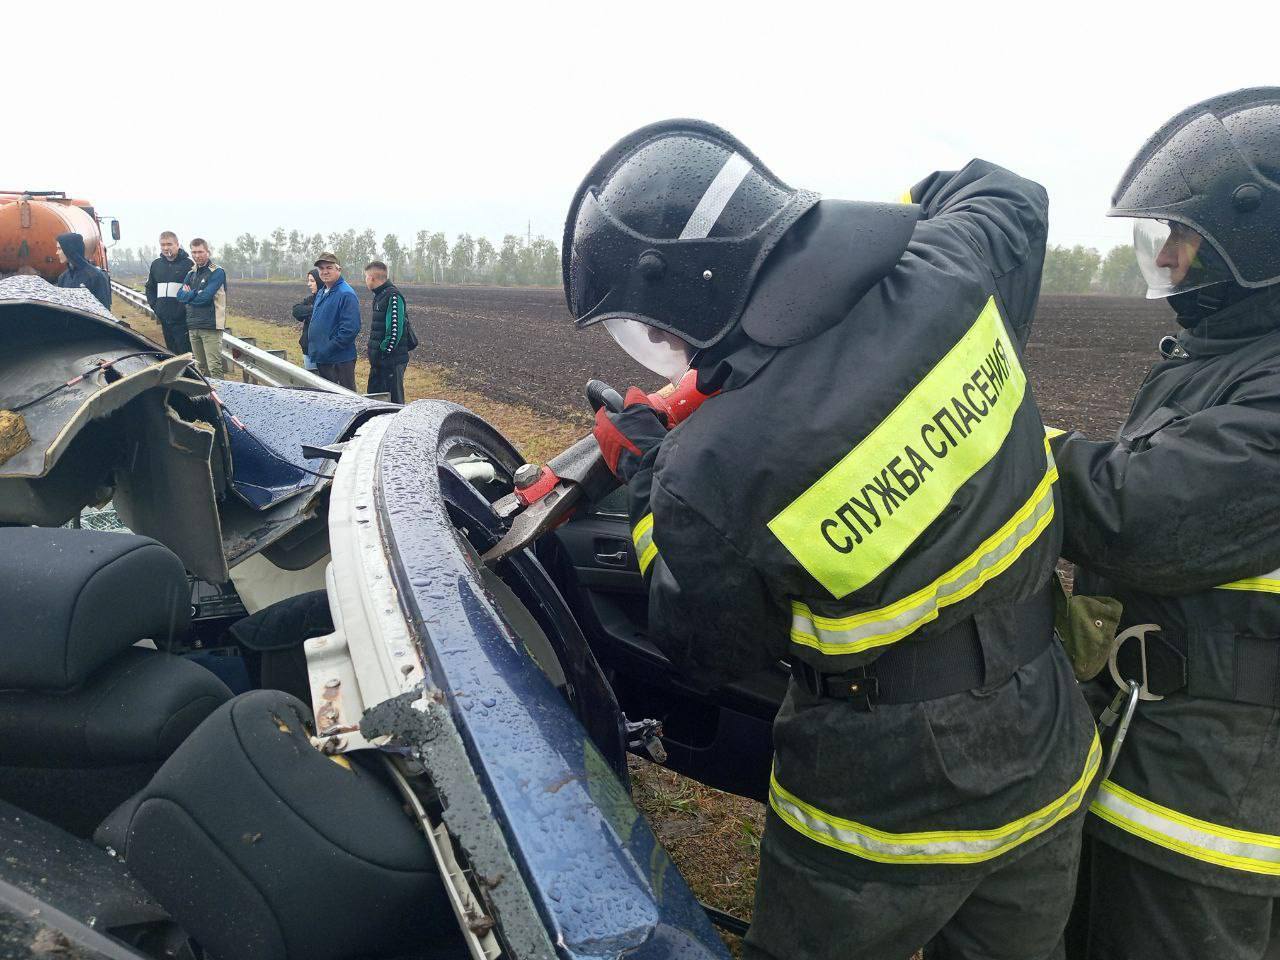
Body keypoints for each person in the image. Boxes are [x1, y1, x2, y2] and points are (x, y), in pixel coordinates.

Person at [566, 120, 1098, 960]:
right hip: (1044, 739)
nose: (667, 351)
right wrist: (868, 243)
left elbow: (702, 645)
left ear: (699, 297)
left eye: (658, 329)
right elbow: (1005, 191)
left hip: (880, 811)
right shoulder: (951, 272)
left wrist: (645, 476)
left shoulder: (713, 467)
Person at [1052, 88, 1280, 960]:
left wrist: (1002, 447)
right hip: (1156, 760)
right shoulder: (1224, 359)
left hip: (1208, 816)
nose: (1171, 261)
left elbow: (1142, 514)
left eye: (1183, 239)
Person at [362, 260, 416, 403]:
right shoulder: (380, 295)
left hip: (391, 361)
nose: (365, 281)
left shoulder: (393, 296)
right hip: (380, 361)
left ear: (372, 278)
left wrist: (383, 352)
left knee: (394, 400)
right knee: (376, 398)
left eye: (366, 277)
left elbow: (394, 331)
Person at [308, 252, 361, 390]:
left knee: (344, 400)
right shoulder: (322, 292)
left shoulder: (346, 294)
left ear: (338, 269)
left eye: (329, 267)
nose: (324, 271)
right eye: (321, 268)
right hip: (323, 358)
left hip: (339, 360)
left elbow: (350, 329)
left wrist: (328, 348)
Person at [176, 238, 227, 379]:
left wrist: (189, 294)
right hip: (193, 325)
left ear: (208, 252)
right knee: (200, 367)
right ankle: (205, 399)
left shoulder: (217, 272)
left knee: (214, 367)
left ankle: (221, 398)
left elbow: (206, 298)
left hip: (211, 325)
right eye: (194, 252)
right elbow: (180, 295)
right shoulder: (191, 273)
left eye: (200, 252)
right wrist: (195, 293)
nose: (197, 255)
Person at [145, 231, 194, 355]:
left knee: (186, 355)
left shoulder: (189, 265)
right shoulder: (156, 265)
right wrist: (156, 307)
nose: (166, 248)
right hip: (164, 319)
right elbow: (150, 288)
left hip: (183, 322)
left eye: (169, 244)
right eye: (163, 245)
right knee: (171, 354)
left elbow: (195, 291)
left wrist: (184, 310)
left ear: (177, 244)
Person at [54, 232, 111, 309]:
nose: (57, 253)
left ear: (69, 249)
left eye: (59, 249)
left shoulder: (96, 276)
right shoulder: (63, 278)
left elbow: (105, 310)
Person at [292, 268, 322, 370]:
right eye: (309, 281)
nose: (309, 284)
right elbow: (296, 311)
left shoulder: (329, 299)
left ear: (320, 280)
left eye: (312, 281)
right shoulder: (311, 299)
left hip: (322, 354)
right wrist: (314, 309)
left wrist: (309, 311)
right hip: (307, 350)